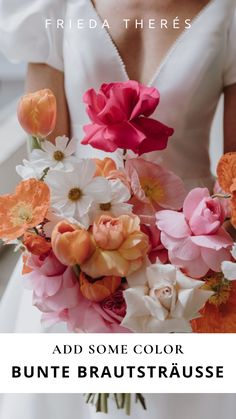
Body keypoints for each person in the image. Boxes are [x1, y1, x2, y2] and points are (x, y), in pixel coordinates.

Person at [0, 0, 236, 418]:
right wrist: (67, 247)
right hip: (72, 250)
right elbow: (43, 161)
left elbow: (233, 173)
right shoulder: (52, 8)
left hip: (191, 261)